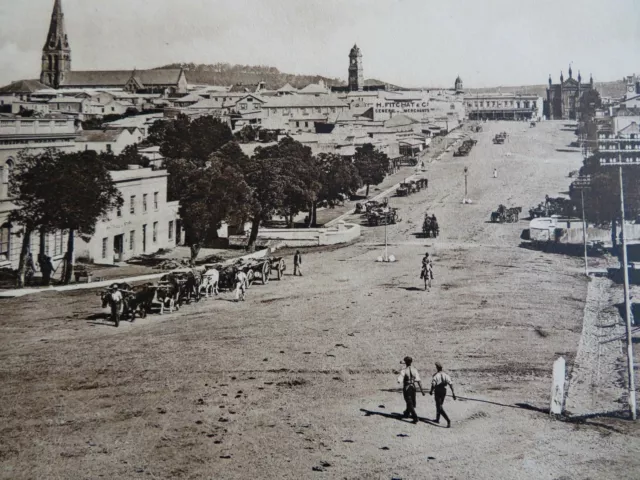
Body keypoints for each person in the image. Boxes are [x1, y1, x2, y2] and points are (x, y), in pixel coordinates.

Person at [397, 356, 425, 424]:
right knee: (411, 401)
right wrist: (422, 391)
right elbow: (418, 381)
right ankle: (406, 413)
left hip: (407, 387)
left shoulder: (404, 370)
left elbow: (399, 379)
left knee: (409, 402)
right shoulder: (414, 369)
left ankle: (415, 417)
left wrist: (399, 379)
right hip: (413, 387)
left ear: (406, 362)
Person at [429, 361, 456, 428]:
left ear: (437, 368)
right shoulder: (446, 375)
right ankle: (437, 419)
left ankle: (448, 420)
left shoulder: (436, 375)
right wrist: (453, 393)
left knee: (439, 407)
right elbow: (451, 384)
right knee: (439, 405)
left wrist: (431, 391)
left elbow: (433, 384)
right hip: (444, 391)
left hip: (438, 391)